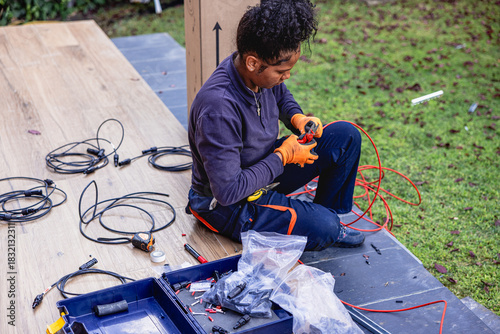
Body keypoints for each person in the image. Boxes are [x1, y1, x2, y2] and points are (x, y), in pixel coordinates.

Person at [186, 0, 364, 251]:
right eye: (282, 71)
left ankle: (330, 216)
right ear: (252, 63)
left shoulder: (253, 70)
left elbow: (280, 95)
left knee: (345, 137)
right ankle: (325, 224)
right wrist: (283, 156)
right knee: (324, 227)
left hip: (261, 170)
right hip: (226, 204)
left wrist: (298, 119)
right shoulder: (219, 109)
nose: (286, 76)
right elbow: (228, 191)